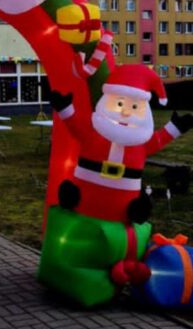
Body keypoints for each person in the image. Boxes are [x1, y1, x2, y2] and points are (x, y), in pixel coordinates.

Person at [51, 64, 193, 226]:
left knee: (135, 209)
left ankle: (134, 210)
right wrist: (65, 108)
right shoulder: (94, 133)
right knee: (72, 196)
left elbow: (158, 140)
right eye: (119, 104)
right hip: (84, 198)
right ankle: (72, 198)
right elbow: (77, 128)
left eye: (134, 107)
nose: (125, 112)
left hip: (122, 206)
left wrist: (176, 127)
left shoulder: (140, 141)